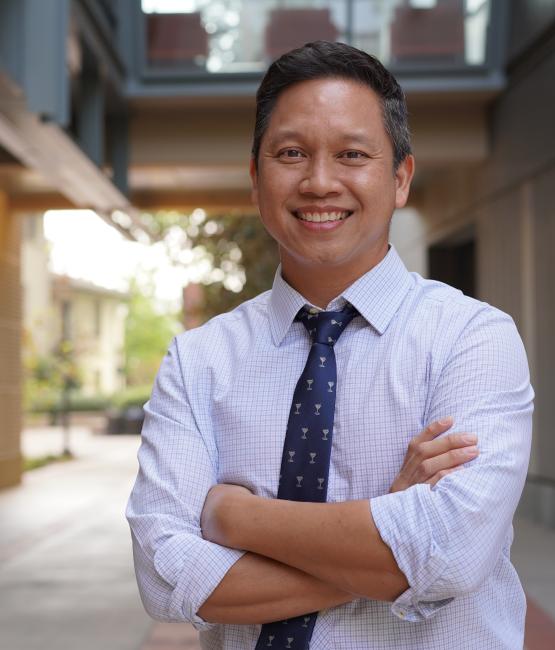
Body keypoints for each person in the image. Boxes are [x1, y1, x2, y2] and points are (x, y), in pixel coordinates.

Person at [126, 41, 533, 650]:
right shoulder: (199, 360)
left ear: (399, 178)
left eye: (351, 154)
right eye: (291, 153)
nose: (319, 182)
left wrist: (236, 518)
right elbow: (165, 579)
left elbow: (451, 554)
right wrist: (386, 531)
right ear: (256, 176)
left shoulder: (472, 339)